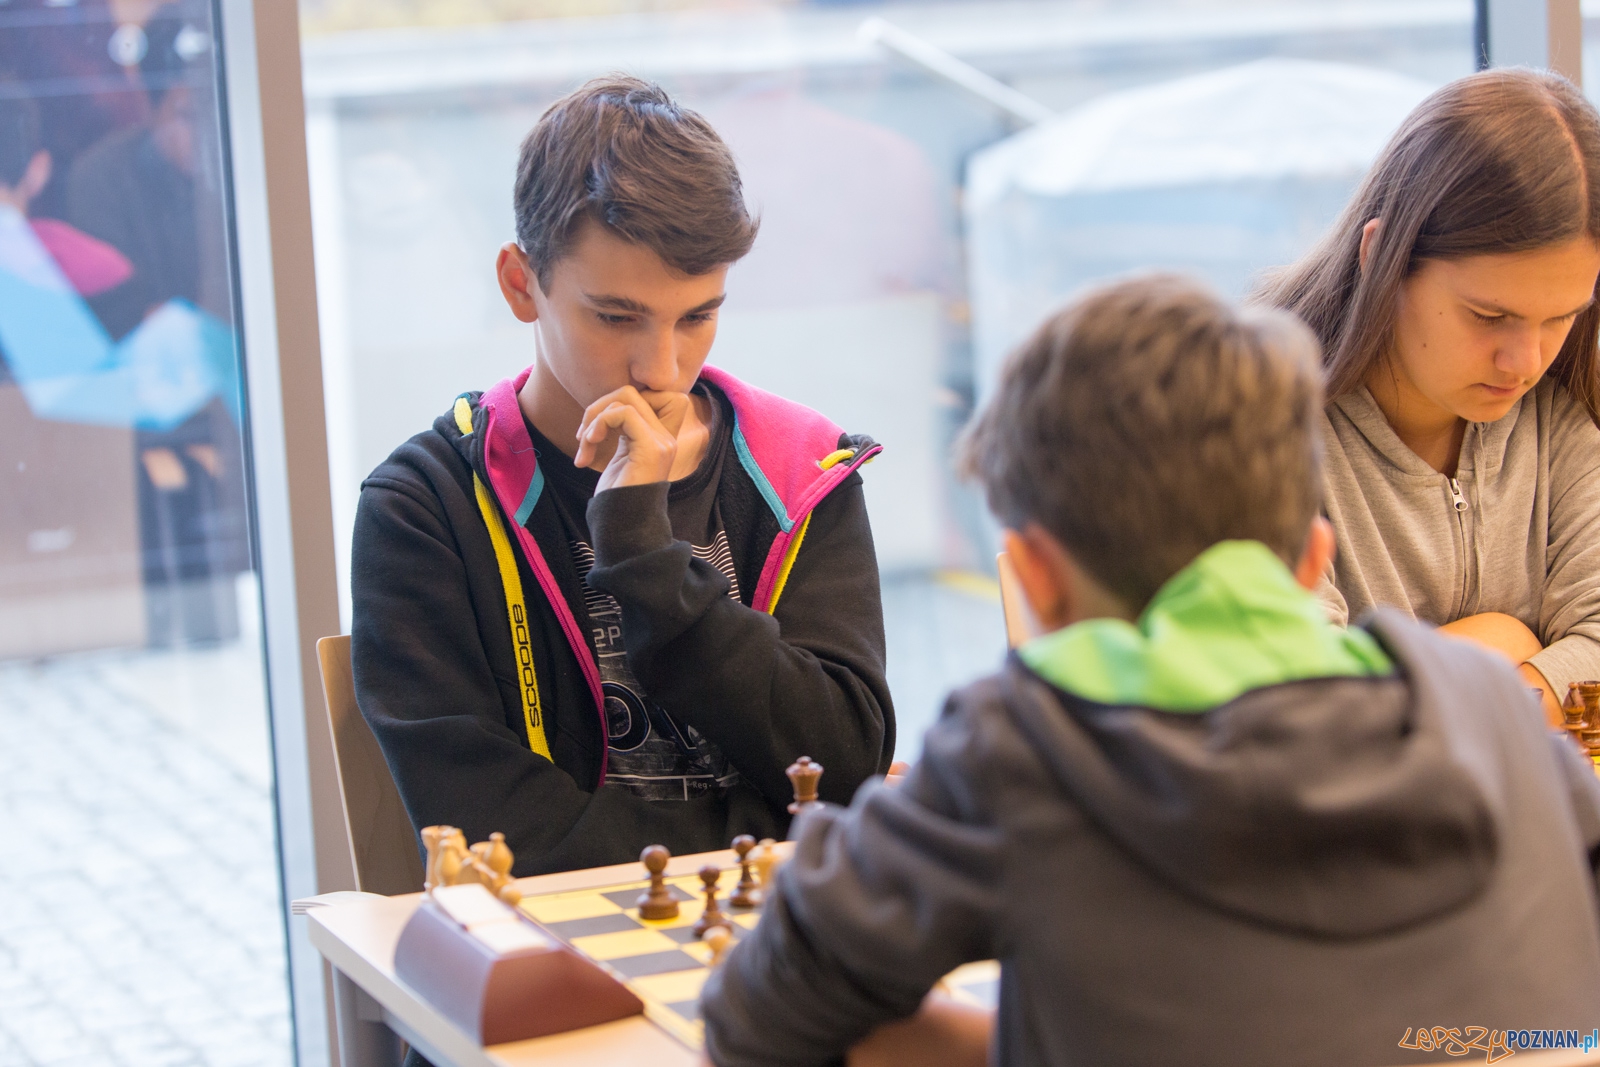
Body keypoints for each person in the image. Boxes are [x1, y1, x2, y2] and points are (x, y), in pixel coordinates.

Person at [700, 275, 1600, 1067]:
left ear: (1037, 578)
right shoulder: (1498, 713)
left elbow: (756, 1015)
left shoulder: (1026, 751)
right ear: (1311, 558)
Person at [352, 76, 896, 879]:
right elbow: (503, 836)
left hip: (787, 946)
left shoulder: (801, 469)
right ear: (519, 283)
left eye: (698, 316)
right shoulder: (423, 507)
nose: (663, 369)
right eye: (616, 317)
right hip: (558, 962)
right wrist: (772, 829)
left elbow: (845, 758)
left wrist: (644, 555)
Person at [1258, 68, 1600, 725]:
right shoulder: (1260, 435)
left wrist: (1461, 693)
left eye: (1561, 317)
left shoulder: (1562, 424)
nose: (1525, 361)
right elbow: (1317, 721)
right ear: (1381, 255)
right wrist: (1508, 649)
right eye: (1488, 314)